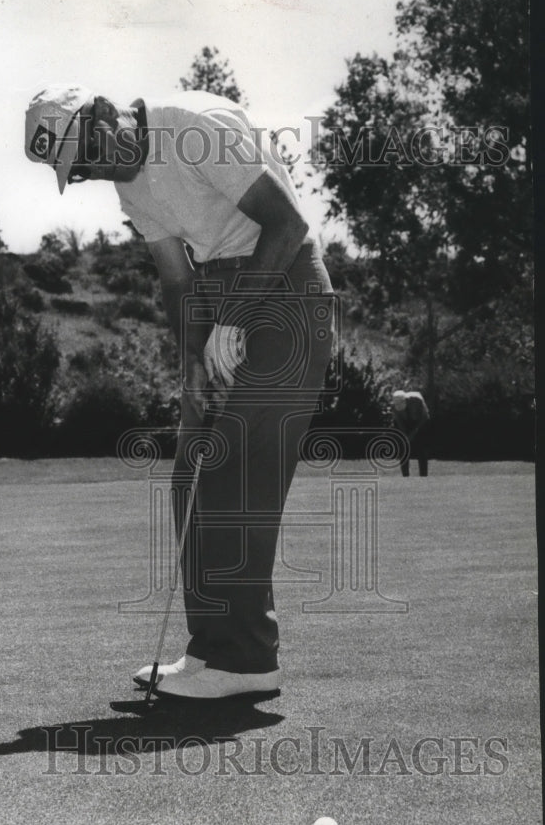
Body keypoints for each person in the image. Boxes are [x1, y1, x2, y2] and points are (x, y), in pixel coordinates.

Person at [24, 84, 335, 700]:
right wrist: (191, 357)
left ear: (105, 114)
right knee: (191, 478)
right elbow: (175, 280)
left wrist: (236, 317)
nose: (93, 169)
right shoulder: (131, 185)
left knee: (234, 475)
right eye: (79, 170)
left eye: (86, 151)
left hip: (288, 292)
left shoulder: (191, 127)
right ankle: (214, 653)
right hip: (225, 301)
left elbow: (287, 222)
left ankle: (246, 660)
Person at [391, 389, 431, 477]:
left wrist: (414, 432)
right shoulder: (394, 407)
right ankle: (405, 477)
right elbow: (400, 423)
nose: (400, 408)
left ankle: (423, 477)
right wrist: (405, 436)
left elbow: (425, 417)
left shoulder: (417, 400)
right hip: (406, 423)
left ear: (406, 400)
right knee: (403, 449)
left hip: (420, 421)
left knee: (422, 450)